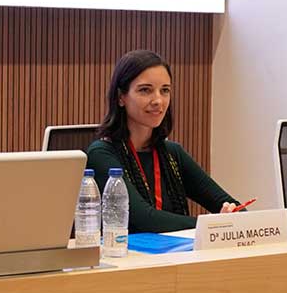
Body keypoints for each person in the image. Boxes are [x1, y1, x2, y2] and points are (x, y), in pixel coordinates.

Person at [85, 49, 242, 233]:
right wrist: (213, 225)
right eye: (145, 90)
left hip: (176, 256)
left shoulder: (172, 153)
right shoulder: (102, 154)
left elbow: (230, 205)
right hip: (127, 257)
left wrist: (234, 215)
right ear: (121, 97)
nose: (158, 100)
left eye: (165, 90)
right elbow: (145, 219)